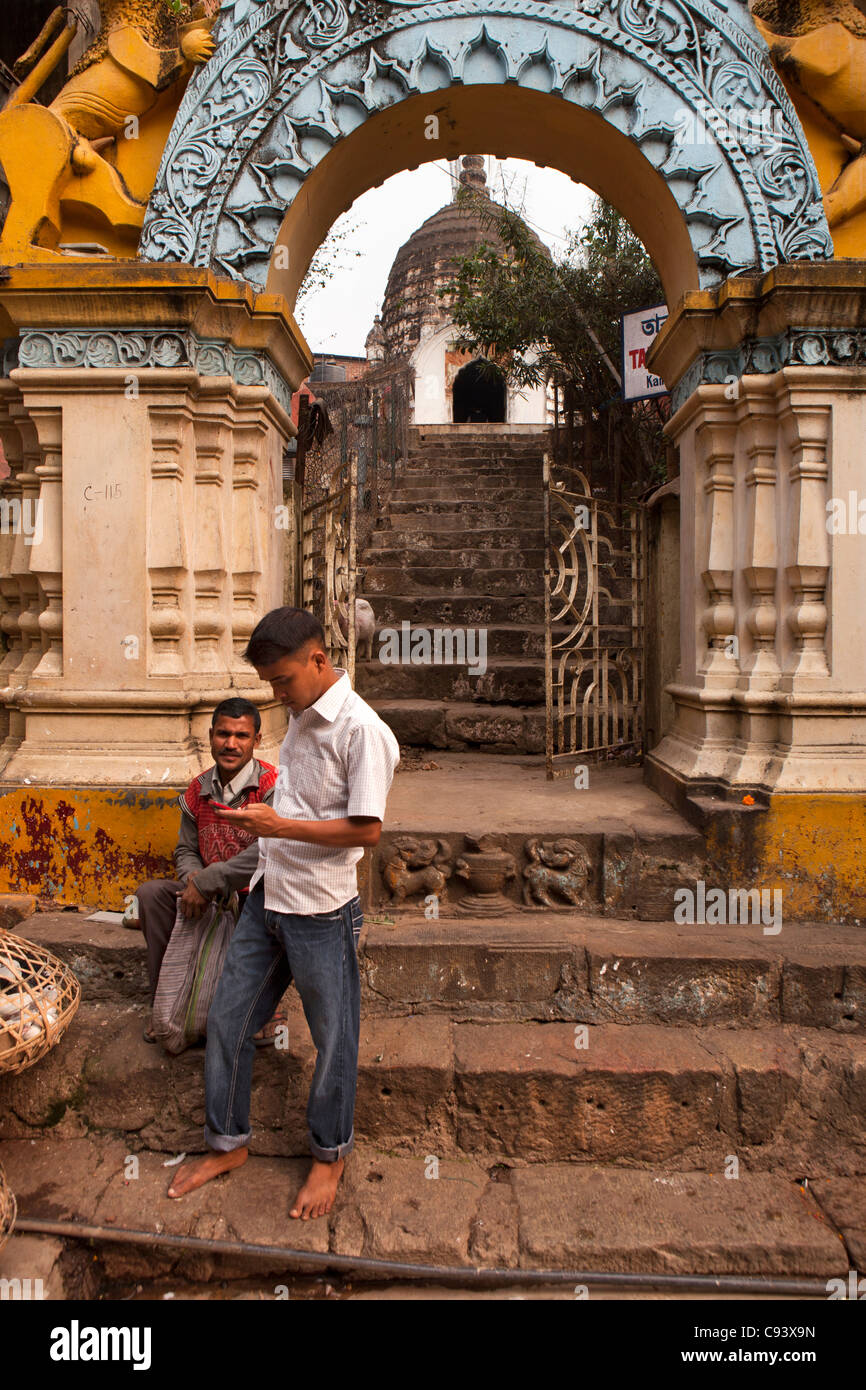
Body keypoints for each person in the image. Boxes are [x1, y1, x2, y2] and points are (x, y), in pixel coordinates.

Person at [166, 607, 400, 1220]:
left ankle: (329, 1155)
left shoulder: (360, 730)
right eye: (269, 683)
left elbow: (367, 831)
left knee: (334, 1041)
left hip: (322, 911)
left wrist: (278, 824)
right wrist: (264, 826)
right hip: (268, 896)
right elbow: (295, 802)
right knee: (227, 1020)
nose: (276, 694)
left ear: (319, 661)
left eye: (283, 680)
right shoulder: (299, 717)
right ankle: (227, 1143)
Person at [130, 698, 279, 1043]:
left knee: (273, 902)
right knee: (151, 896)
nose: (231, 744)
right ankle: (165, 1002)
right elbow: (185, 848)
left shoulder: (271, 786)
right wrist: (194, 880)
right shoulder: (199, 788)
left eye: (242, 736)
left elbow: (268, 852)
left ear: (256, 741)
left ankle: (264, 1007)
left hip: (252, 898)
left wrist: (212, 881)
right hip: (208, 895)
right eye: (223, 734)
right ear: (210, 736)